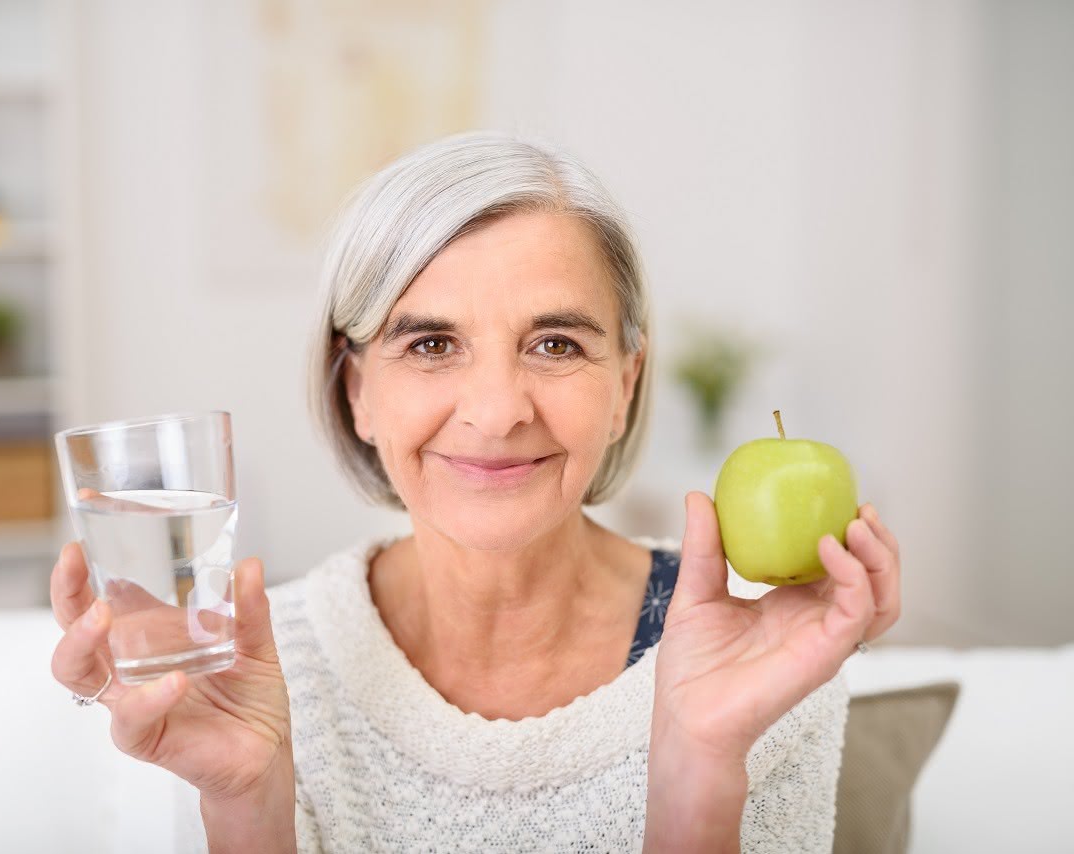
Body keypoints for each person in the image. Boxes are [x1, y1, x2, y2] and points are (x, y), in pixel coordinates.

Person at [49, 131, 902, 853]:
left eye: (557, 344)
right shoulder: (258, 675)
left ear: (626, 388)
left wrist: (701, 765)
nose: (497, 414)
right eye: (429, 345)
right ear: (357, 394)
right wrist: (246, 803)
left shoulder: (756, 656)